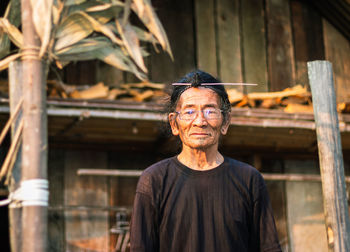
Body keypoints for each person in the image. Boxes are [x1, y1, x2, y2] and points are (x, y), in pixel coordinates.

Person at [130, 70, 281, 252]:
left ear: (225, 122)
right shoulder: (154, 181)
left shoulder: (249, 181)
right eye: (190, 111)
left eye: (210, 111)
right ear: (174, 124)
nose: (200, 121)